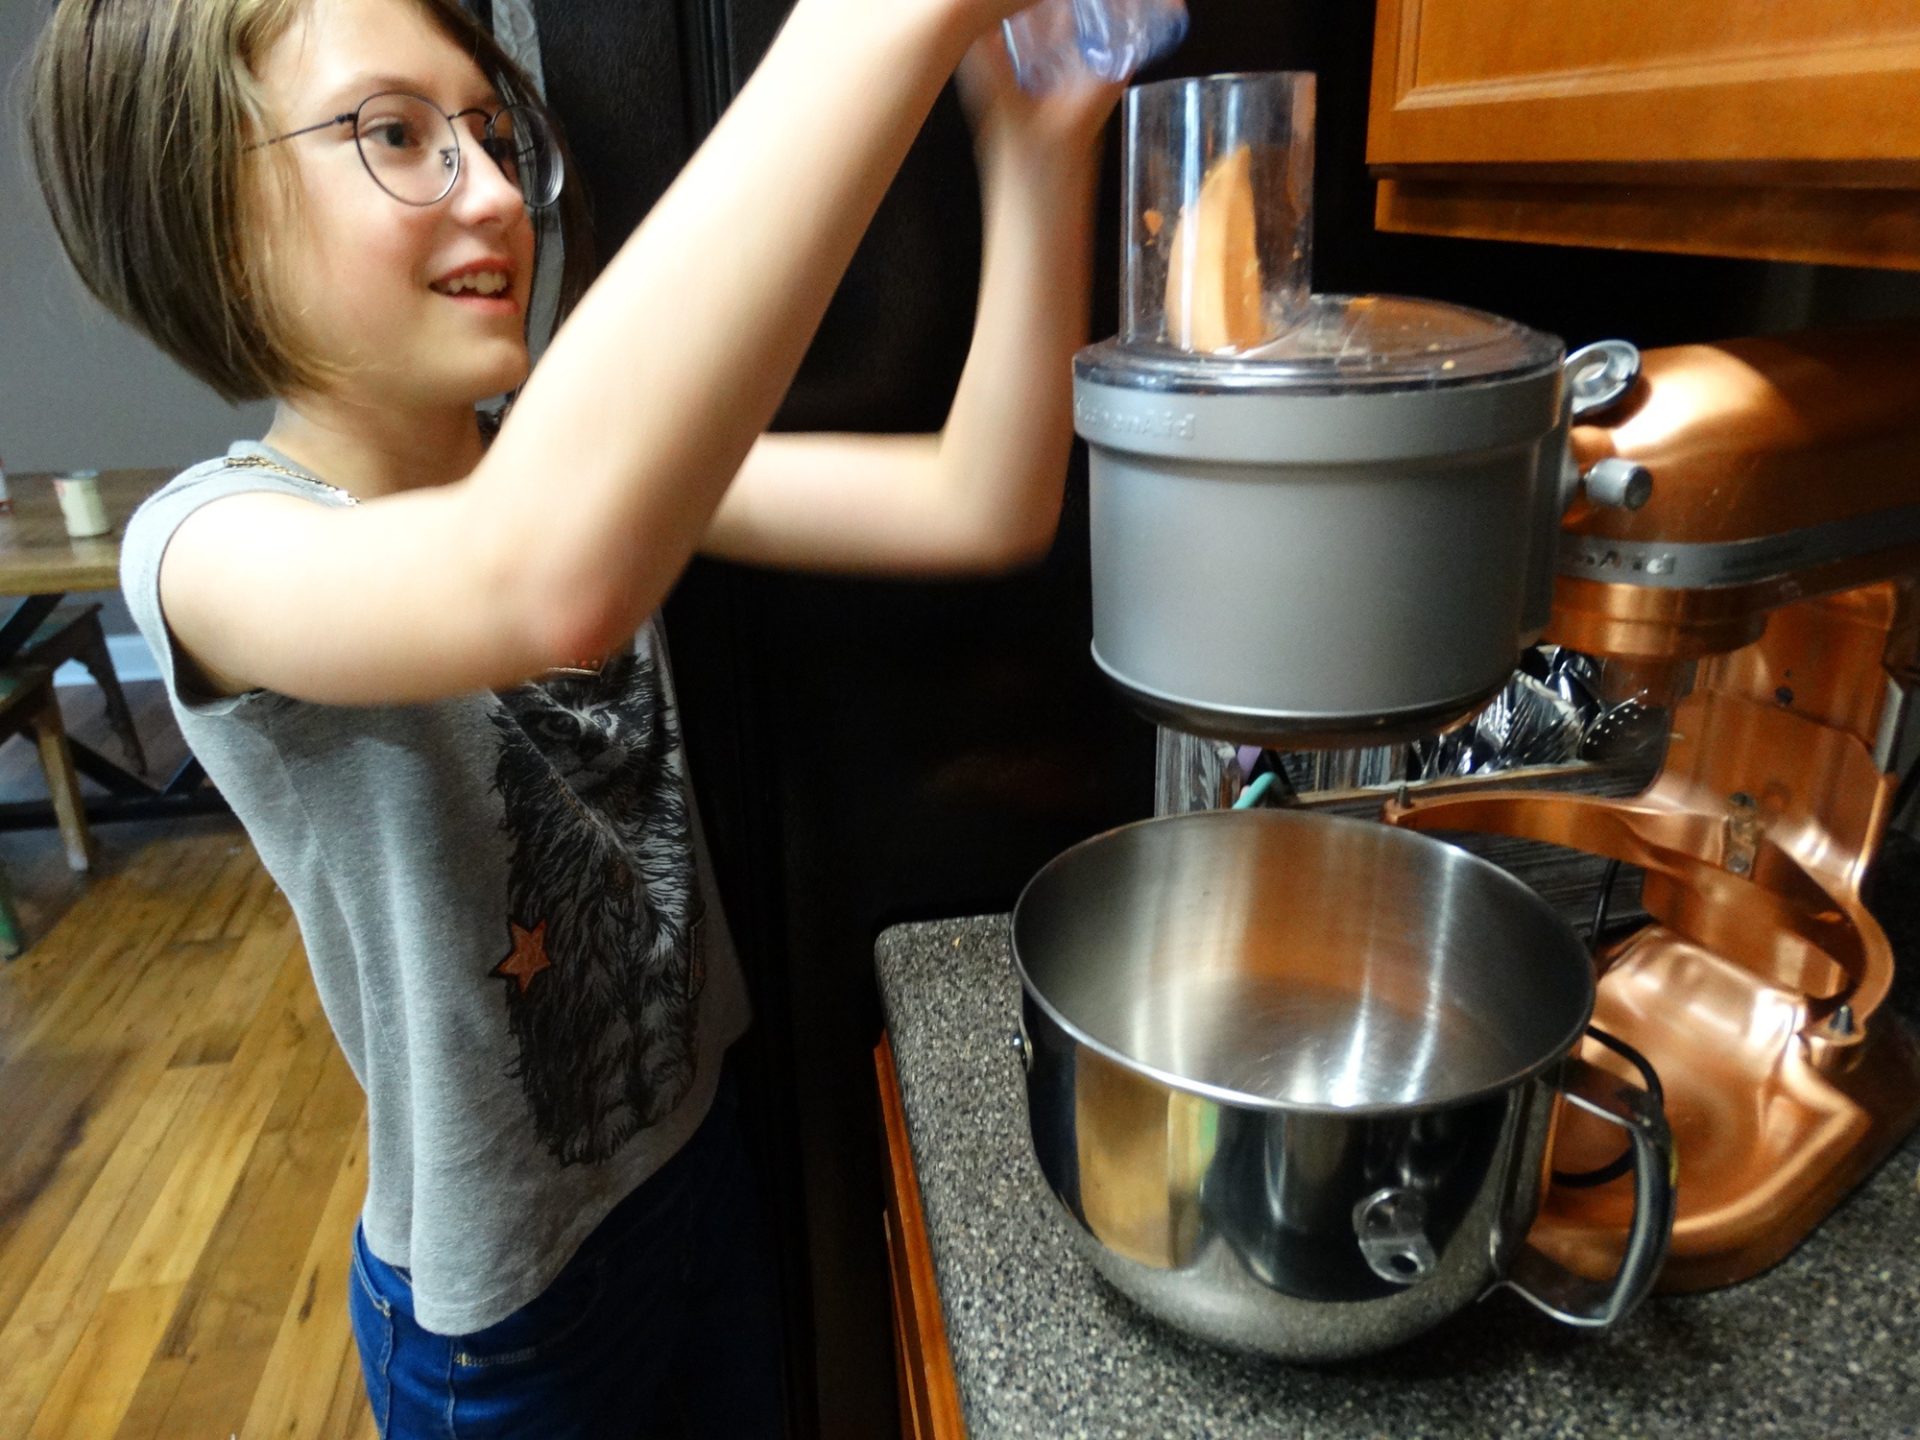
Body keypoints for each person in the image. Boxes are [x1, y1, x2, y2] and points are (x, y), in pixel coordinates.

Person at [28, 0, 1122, 1433]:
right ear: (201, 209)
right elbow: (541, 579)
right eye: (393, 135)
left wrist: (1040, 154)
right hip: (509, 1312)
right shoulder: (208, 547)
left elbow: (984, 499)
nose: (490, 191)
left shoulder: (549, 458)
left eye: (490, 133)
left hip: (699, 1157)